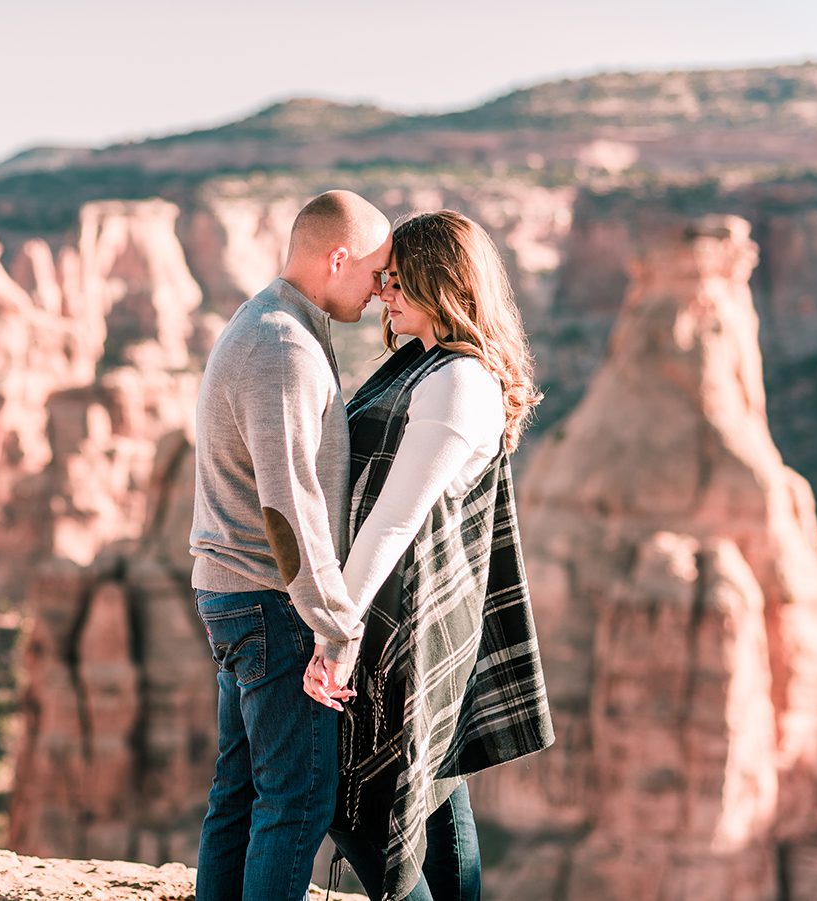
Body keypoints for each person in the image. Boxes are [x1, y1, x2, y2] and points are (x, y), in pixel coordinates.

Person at [303, 210, 556, 901]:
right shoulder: (427, 364)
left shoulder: (455, 383)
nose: (383, 292)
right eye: (382, 278)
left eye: (397, 280)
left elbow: (392, 522)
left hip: (399, 630)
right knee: (436, 794)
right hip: (399, 613)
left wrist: (335, 635)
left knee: (356, 807)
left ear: (441, 281)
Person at [189, 189, 392, 901]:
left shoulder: (272, 324)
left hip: (237, 593)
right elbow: (288, 507)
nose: (379, 291)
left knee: (241, 793)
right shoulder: (282, 346)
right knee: (297, 799)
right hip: (271, 604)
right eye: (374, 273)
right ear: (338, 258)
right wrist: (334, 624)